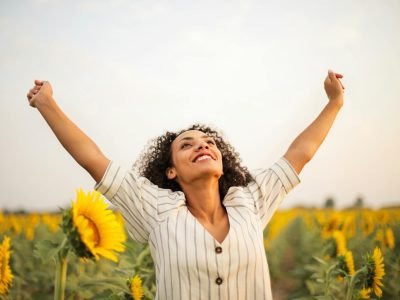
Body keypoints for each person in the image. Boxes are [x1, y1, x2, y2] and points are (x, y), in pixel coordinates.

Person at [26, 70, 345, 300]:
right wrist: (47, 104)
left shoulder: (249, 201)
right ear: (170, 172)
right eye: (187, 145)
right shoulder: (156, 210)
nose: (202, 146)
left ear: (222, 163)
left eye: (209, 143)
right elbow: (93, 159)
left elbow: (300, 154)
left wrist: (334, 103)